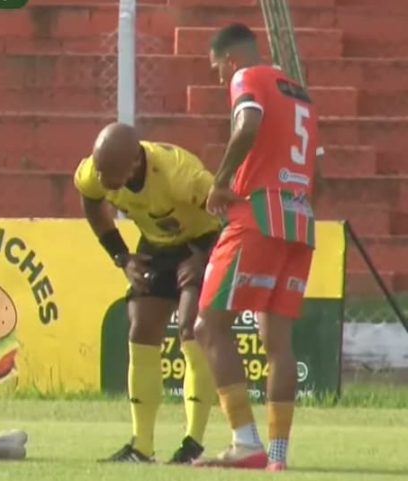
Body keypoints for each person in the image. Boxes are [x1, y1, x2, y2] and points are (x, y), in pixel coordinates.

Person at [192, 23, 325, 471]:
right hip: (301, 219)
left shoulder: (247, 78)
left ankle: (245, 442)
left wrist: (221, 180)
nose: (218, 79)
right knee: (278, 342)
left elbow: (248, 124)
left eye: (216, 70)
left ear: (230, 60)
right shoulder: (299, 93)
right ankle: (278, 457)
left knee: (207, 326)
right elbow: (317, 173)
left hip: (257, 215)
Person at [73, 122, 221, 464]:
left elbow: (232, 214)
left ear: (134, 164)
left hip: (205, 242)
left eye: (112, 174)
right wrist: (121, 256)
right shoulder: (96, 172)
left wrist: (203, 258)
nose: (104, 180)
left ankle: (192, 445)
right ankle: (141, 446)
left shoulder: (179, 174)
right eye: (100, 171)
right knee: (141, 327)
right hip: (156, 246)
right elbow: (91, 202)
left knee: (190, 327)